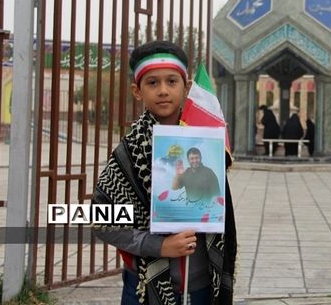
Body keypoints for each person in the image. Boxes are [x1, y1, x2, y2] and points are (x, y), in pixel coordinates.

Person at [92, 40, 237, 305]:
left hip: (203, 285)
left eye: (172, 81)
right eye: (152, 83)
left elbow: (217, 209)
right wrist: (159, 246)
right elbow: (102, 222)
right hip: (145, 286)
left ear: (186, 87)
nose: (163, 91)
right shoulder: (128, 153)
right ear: (137, 91)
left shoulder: (206, 143)